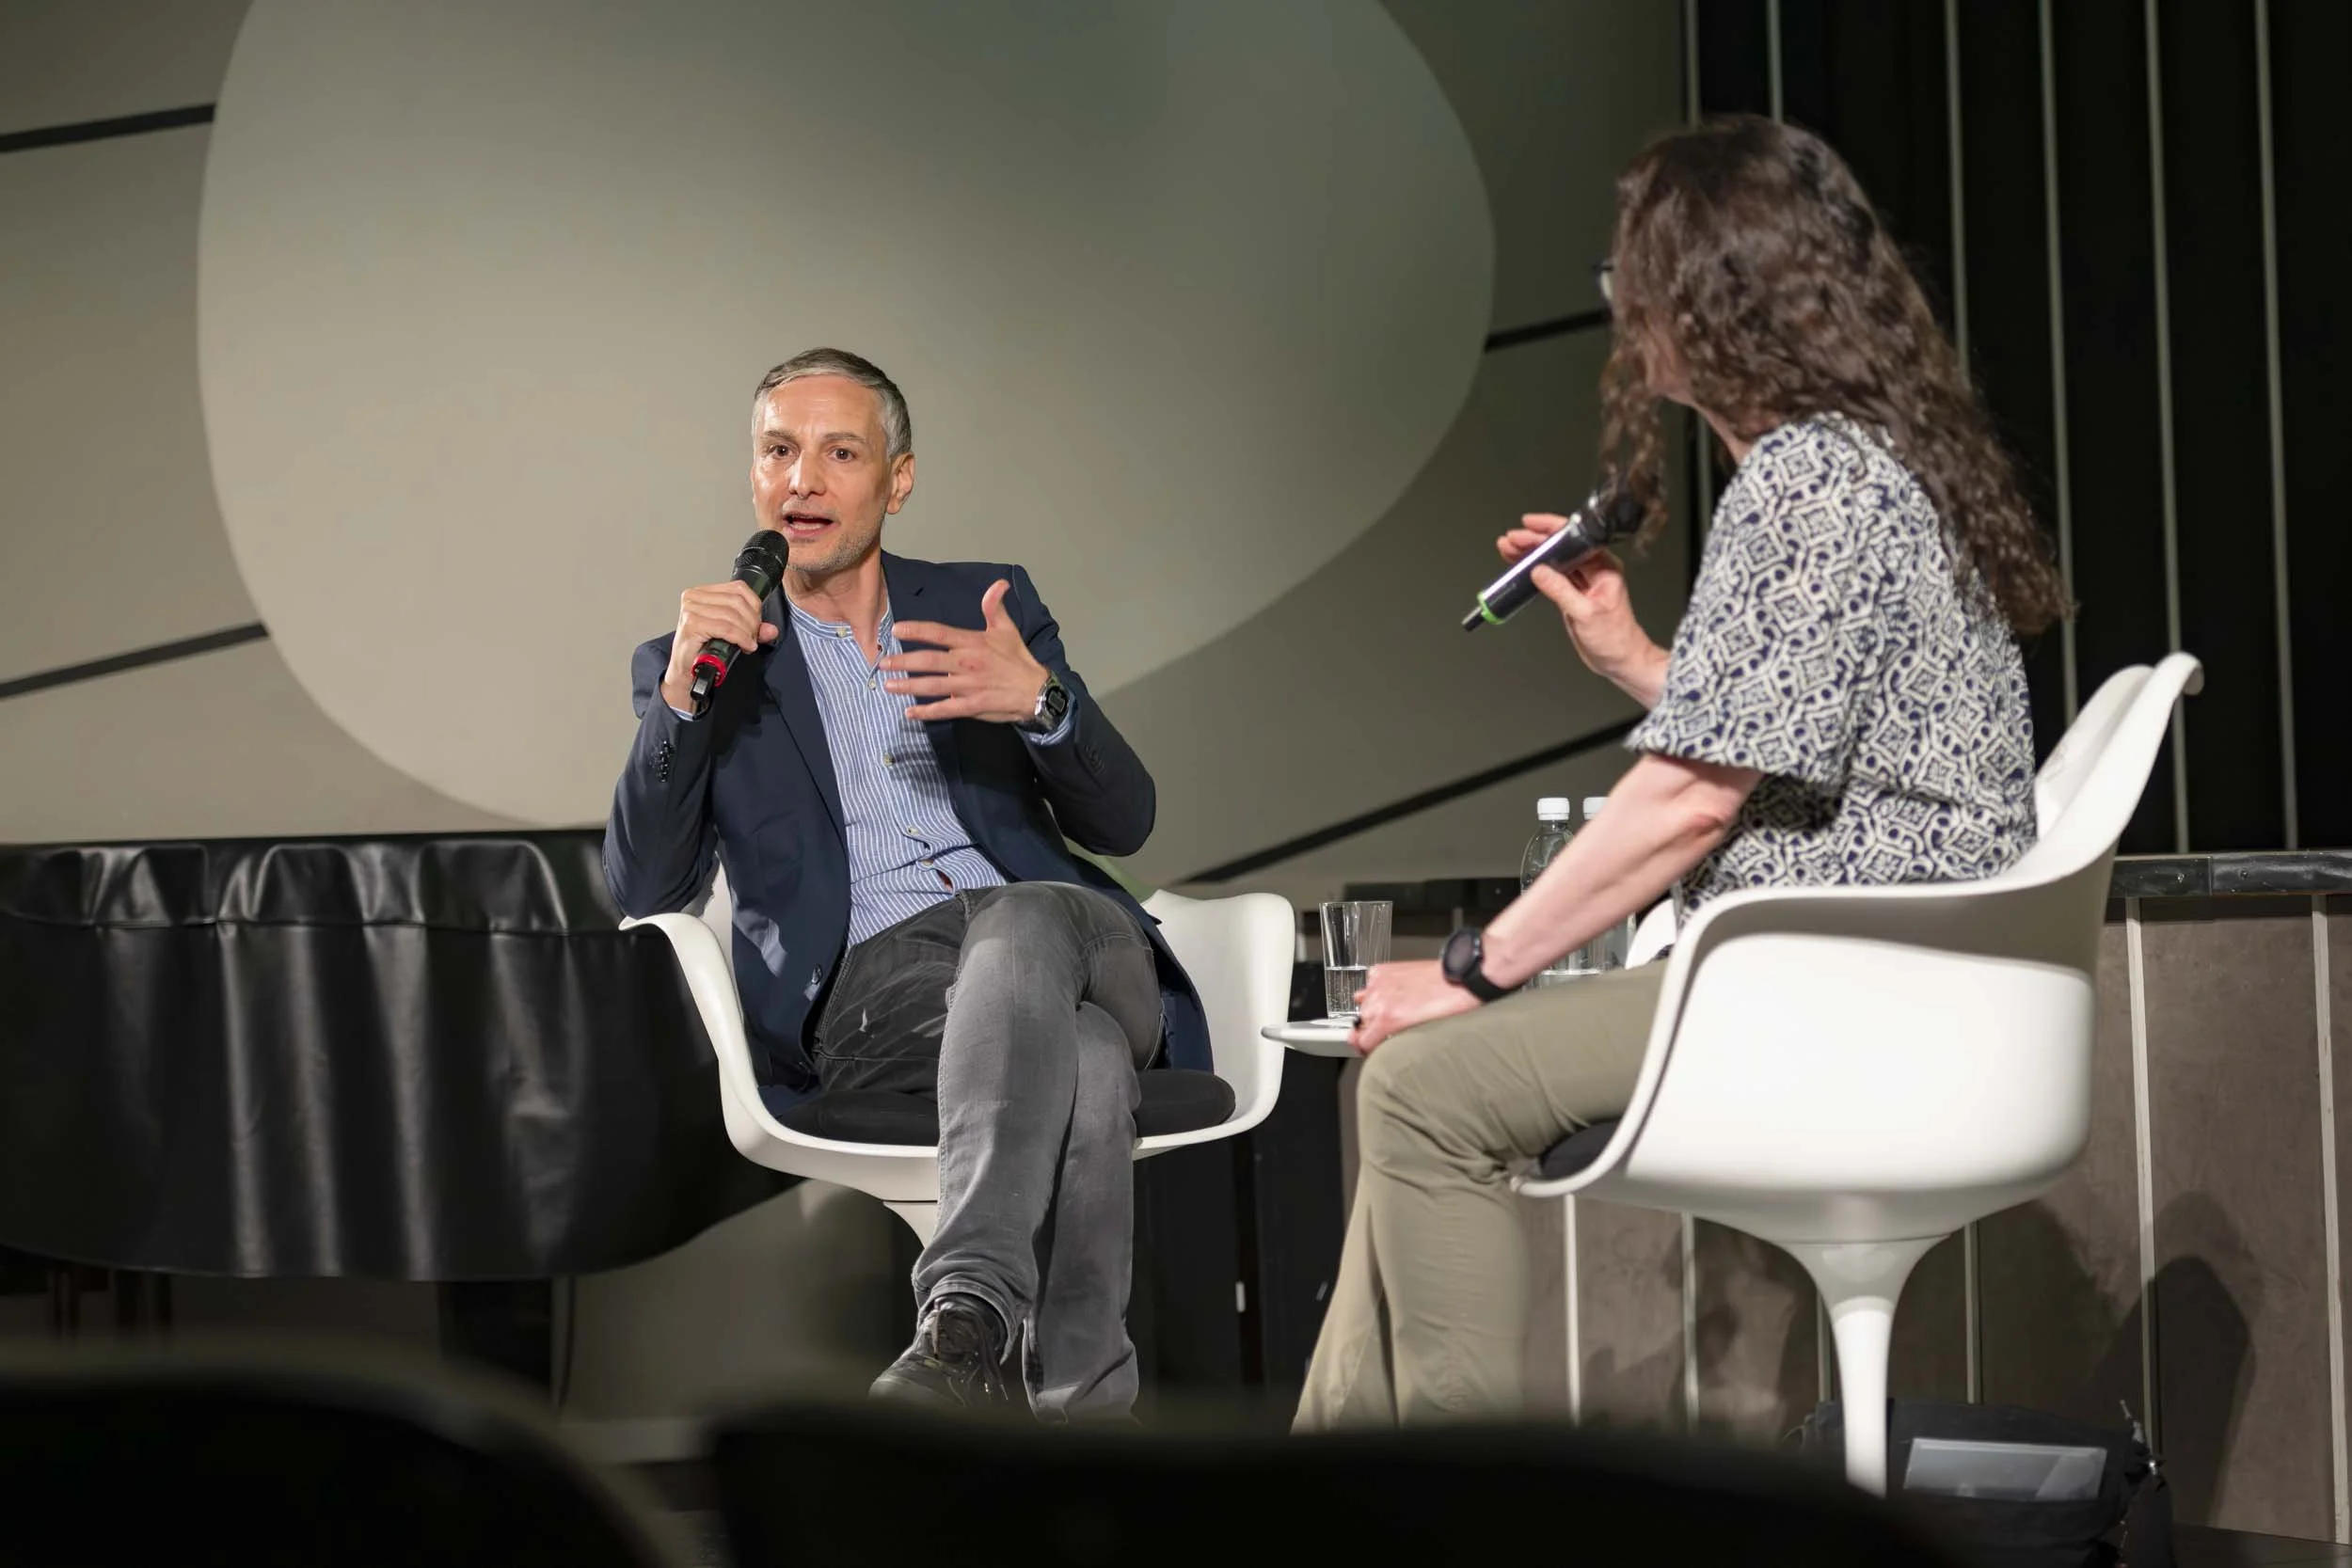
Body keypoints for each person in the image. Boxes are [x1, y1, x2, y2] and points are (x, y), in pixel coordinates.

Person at [1294, 116, 2071, 1427]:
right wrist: (1641, 661)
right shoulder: (1869, 458)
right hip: (1872, 968)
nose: (1621, 312)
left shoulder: (1810, 479)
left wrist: (1477, 965)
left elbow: (1690, 797)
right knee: (1405, 1079)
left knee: (1422, 1087)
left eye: (1628, 278)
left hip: (1842, 980)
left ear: (1702, 302)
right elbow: (1812, 739)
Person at [605, 347, 1206, 1420]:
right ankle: (1083, 1412)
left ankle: (964, 1316)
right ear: (754, 476)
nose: (804, 479)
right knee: (1088, 1056)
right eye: (780, 451)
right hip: (882, 993)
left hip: (1073, 938)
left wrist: (1044, 704)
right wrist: (684, 705)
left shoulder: (986, 605)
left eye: (841, 452)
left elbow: (1126, 820)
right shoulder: (702, 655)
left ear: (898, 478)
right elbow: (646, 883)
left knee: (1027, 921)